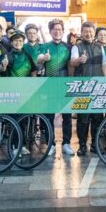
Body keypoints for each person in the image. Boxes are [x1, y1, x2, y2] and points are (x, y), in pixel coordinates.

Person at [70, 22, 106, 156]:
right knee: (83, 119)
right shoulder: (77, 47)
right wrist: (79, 60)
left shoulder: (100, 47)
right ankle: (82, 146)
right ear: (82, 33)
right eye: (85, 31)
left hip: (98, 87)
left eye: (90, 31)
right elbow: (72, 62)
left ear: (94, 33)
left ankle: (95, 145)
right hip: (83, 88)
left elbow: (104, 65)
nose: (88, 34)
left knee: (97, 118)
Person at [38, 19, 73, 156]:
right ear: (50, 31)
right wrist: (43, 59)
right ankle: (50, 144)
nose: (57, 32)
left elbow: (72, 65)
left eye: (59, 29)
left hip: (65, 85)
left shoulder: (68, 47)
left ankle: (66, 143)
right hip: (49, 85)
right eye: (54, 29)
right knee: (48, 116)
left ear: (63, 31)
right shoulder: (45, 46)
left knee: (67, 116)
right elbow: (38, 61)